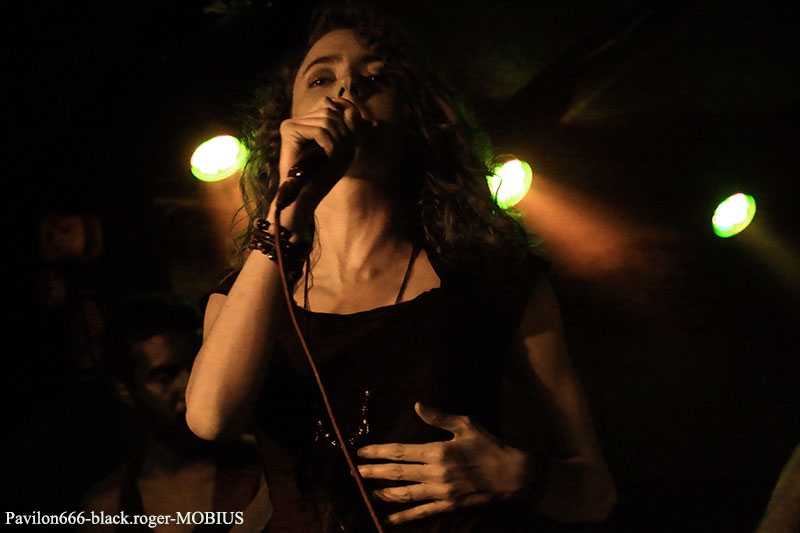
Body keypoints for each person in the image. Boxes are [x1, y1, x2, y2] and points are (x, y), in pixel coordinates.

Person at [185, 4, 617, 532]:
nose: (346, 87)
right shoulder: (248, 293)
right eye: (321, 78)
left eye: (375, 78)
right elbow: (210, 420)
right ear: (288, 119)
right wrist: (289, 208)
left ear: (413, 113)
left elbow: (595, 494)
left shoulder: (495, 282)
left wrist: (518, 474)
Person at [80, 292, 271, 532]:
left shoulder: (266, 471)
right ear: (125, 390)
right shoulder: (108, 507)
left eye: (198, 366)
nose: (189, 386)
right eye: (165, 376)